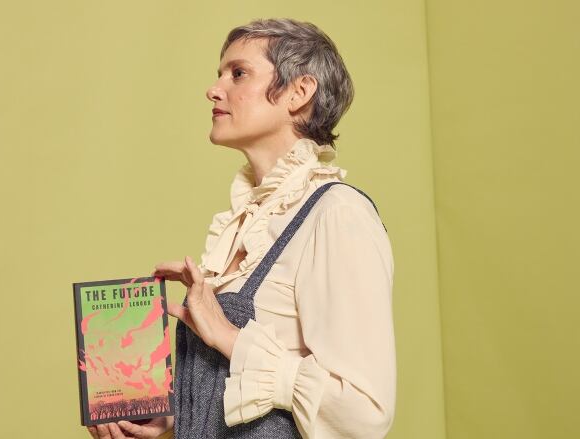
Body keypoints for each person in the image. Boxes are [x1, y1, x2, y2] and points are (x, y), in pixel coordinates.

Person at [87, 17, 396, 439]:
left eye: (238, 73)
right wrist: (178, 415)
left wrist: (230, 336)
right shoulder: (247, 223)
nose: (213, 89)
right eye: (219, 75)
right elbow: (255, 397)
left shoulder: (337, 215)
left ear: (299, 92)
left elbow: (364, 414)